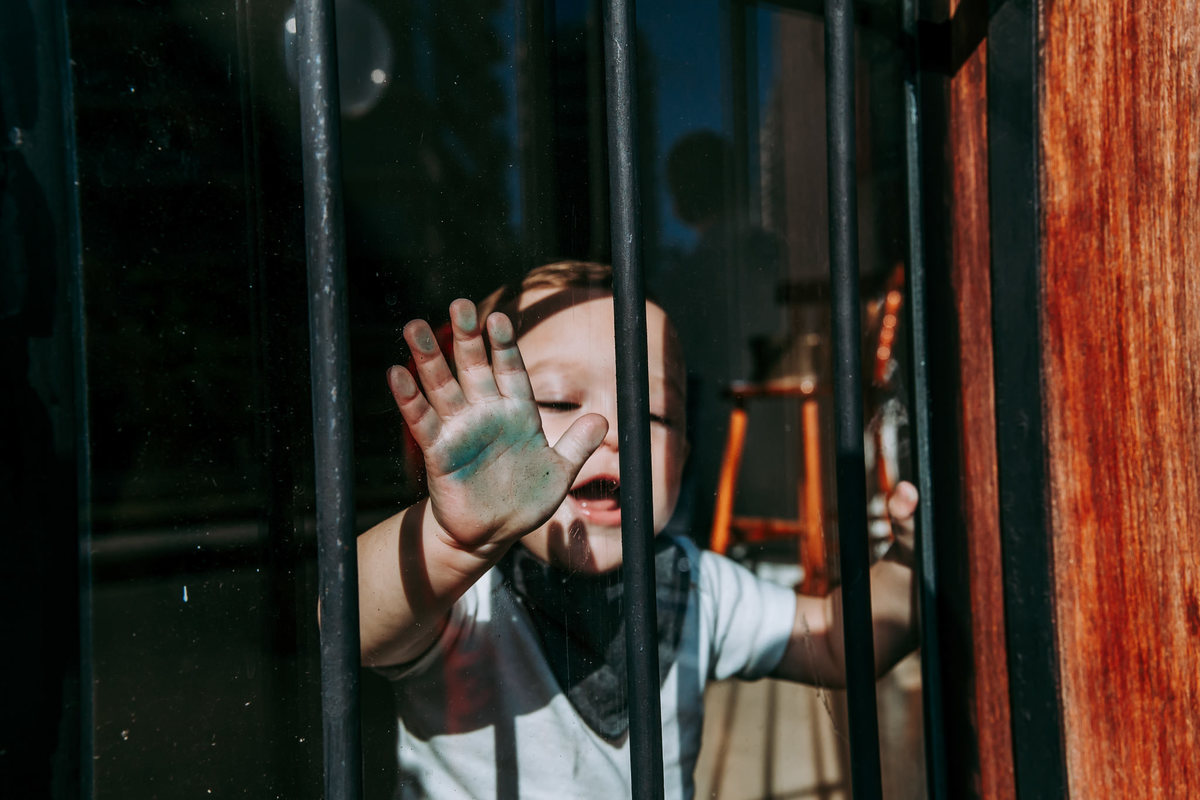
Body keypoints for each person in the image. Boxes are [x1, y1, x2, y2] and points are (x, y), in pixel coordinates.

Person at [356, 261, 918, 799]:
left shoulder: (698, 587)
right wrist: (449, 542)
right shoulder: (461, 593)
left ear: (684, 456)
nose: (610, 431)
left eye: (651, 413)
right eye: (556, 400)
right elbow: (347, 621)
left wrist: (909, 562)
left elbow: (842, 645)